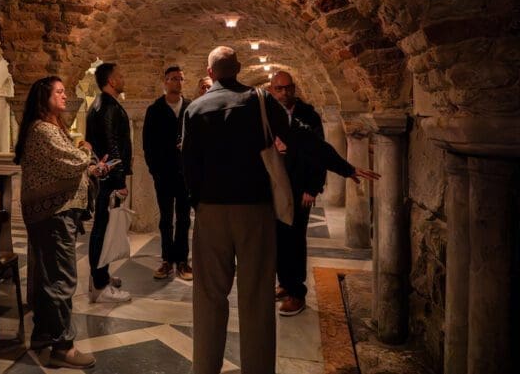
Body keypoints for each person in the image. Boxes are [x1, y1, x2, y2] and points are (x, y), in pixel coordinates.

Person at [181, 46, 379, 374]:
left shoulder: (196, 108)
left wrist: (198, 202)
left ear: (210, 71)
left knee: (209, 298)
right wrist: (346, 167)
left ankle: (205, 369)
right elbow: (302, 138)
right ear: (239, 68)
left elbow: (188, 165)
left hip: (211, 211)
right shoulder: (261, 101)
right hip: (255, 210)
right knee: (257, 298)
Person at [14, 76, 111, 369]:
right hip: (53, 216)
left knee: (50, 277)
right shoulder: (43, 130)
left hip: (53, 214)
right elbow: (72, 160)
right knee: (62, 279)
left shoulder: (49, 127)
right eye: (60, 91)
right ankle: (63, 347)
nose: (65, 96)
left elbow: (66, 169)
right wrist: (85, 148)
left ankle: (45, 334)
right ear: (44, 97)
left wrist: (91, 170)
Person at [269, 71, 325, 317]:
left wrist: (313, 188)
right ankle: (285, 283)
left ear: (294, 88)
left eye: (288, 88)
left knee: (295, 240)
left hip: (300, 187)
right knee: (279, 237)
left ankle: (297, 292)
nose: (284, 93)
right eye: (279, 89)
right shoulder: (270, 115)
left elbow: (319, 152)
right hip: (278, 187)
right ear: (272, 90)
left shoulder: (308, 115)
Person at [85, 62, 132, 303]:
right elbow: (113, 146)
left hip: (104, 176)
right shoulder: (107, 107)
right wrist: (120, 180)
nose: (124, 79)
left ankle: (100, 275)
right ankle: (99, 285)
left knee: (102, 228)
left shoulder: (101, 104)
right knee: (102, 231)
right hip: (108, 178)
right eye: (120, 75)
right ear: (111, 81)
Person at [143, 66, 193, 280]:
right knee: (165, 218)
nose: (177, 82)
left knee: (184, 218)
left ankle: (182, 260)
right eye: (173, 79)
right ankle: (166, 259)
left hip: (185, 174)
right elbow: (148, 143)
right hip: (163, 173)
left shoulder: (191, 108)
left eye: (180, 79)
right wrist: (155, 169)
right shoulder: (155, 109)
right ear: (165, 82)